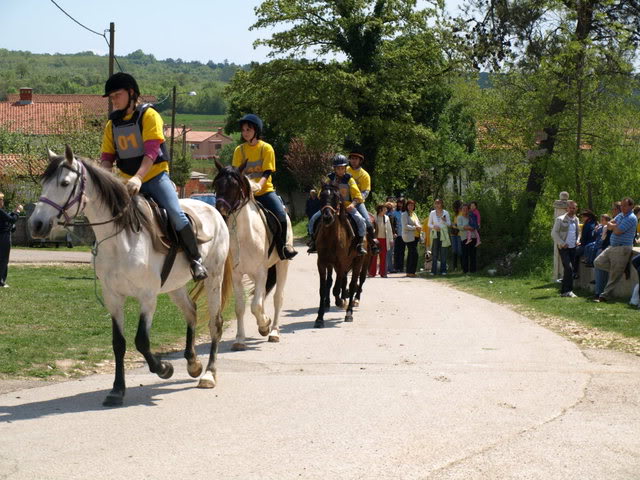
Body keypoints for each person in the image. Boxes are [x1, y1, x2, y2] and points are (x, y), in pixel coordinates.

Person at [100, 72, 208, 280]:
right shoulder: (111, 125)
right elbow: (106, 157)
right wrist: (105, 182)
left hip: (155, 177)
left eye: (117, 95)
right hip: (126, 181)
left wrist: (139, 177)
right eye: (111, 97)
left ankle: (196, 260)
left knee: (175, 213)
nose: (114, 100)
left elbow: (151, 152)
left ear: (131, 93)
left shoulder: (149, 116)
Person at [233, 113, 297, 260]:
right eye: (243, 130)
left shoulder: (266, 148)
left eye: (248, 129)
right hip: (245, 193)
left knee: (280, 214)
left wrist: (258, 186)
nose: (245, 133)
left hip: (265, 191)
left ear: (256, 130)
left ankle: (283, 247)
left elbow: (267, 171)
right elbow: (237, 172)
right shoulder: (239, 150)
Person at [307, 154, 368, 256]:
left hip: (347, 206)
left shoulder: (350, 180)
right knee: (313, 219)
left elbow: (358, 195)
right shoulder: (329, 179)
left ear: (345, 168)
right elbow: (320, 194)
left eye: (342, 168)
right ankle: (313, 241)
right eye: (338, 168)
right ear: (334, 169)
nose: (340, 170)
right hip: (331, 207)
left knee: (361, 220)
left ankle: (360, 244)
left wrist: (353, 204)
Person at [593, 197, 638, 302]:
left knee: (614, 276)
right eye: (621, 205)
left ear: (631, 206)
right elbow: (608, 225)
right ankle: (620, 270)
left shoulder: (631, 217)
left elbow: (617, 231)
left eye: (625, 205)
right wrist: (614, 225)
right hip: (613, 246)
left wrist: (613, 226)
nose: (622, 207)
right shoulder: (621, 215)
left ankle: (604, 296)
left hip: (622, 248)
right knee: (597, 262)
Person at [347, 151, 379, 254]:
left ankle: (373, 244)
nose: (353, 160)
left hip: (358, 202)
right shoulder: (345, 170)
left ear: (360, 161)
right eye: (352, 158)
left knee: (367, 221)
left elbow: (366, 192)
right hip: (343, 200)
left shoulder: (365, 175)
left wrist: (356, 201)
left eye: (356, 159)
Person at [550, 200, 580, 297]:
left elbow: (578, 232)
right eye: (570, 208)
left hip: (573, 247)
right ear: (567, 208)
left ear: (576, 209)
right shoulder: (560, 219)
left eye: (573, 208)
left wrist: (578, 240)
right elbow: (554, 233)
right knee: (569, 268)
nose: (572, 209)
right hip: (563, 248)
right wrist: (562, 243)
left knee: (568, 269)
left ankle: (564, 291)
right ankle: (569, 290)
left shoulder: (576, 219)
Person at [0, 192, 23, 288]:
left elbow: (7, 218)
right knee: (4, 259)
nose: (2, 201)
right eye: (1, 199)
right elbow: (12, 219)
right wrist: (17, 211)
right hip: (3, 237)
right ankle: (1, 281)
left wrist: (13, 212)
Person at [368, 203, 394, 277]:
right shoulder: (374, 217)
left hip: (384, 239)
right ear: (380, 210)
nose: (386, 210)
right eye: (384, 209)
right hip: (375, 239)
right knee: (374, 256)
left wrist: (391, 240)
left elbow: (389, 229)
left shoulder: (386, 218)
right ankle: (372, 273)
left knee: (383, 256)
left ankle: (383, 273)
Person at [427, 199, 451, 275]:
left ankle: (443, 270)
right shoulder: (432, 213)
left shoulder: (446, 213)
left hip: (443, 234)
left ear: (442, 204)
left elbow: (449, 224)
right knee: (434, 253)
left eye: (439, 203)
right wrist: (434, 226)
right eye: (436, 203)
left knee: (443, 252)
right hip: (435, 234)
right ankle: (433, 271)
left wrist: (444, 220)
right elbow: (429, 224)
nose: (437, 205)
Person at [401, 199, 421, 277]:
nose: (411, 207)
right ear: (406, 206)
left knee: (411, 254)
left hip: (416, 236)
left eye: (412, 205)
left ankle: (410, 272)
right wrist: (415, 228)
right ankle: (411, 271)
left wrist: (419, 227)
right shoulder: (404, 214)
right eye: (409, 205)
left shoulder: (414, 214)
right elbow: (405, 226)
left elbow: (418, 223)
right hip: (409, 236)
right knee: (414, 254)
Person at [457, 204, 477, 273]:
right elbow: (459, 227)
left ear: (468, 210)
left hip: (473, 237)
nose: (465, 210)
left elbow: (475, 225)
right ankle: (465, 270)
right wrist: (468, 227)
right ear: (461, 210)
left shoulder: (471, 217)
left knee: (473, 254)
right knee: (465, 255)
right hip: (464, 238)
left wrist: (468, 227)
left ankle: (473, 270)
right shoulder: (459, 218)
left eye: (466, 209)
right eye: (463, 209)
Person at [393, 197, 406, 272]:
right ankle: (396, 267)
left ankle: (401, 267)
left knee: (402, 251)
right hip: (397, 234)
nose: (400, 204)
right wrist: (394, 232)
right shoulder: (395, 212)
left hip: (404, 234)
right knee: (396, 251)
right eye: (399, 202)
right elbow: (393, 224)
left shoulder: (406, 212)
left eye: (401, 202)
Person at [450, 200, 463, 271]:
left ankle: (462, 266)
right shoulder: (456, 214)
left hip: (459, 234)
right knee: (454, 250)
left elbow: (460, 225)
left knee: (460, 251)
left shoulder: (462, 214)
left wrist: (454, 225)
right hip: (454, 234)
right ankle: (454, 267)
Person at [384, 200, 396, 273]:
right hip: (390, 235)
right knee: (390, 252)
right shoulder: (391, 216)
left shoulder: (384, 215)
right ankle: (389, 268)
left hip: (384, 235)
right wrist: (394, 233)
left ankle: (386, 268)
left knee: (386, 252)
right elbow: (392, 226)